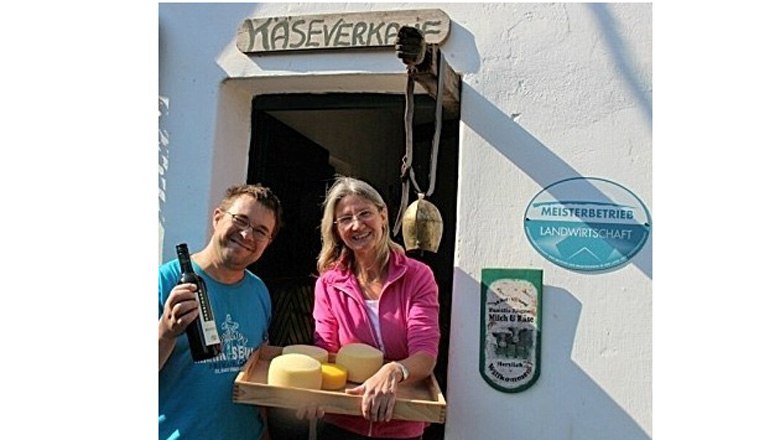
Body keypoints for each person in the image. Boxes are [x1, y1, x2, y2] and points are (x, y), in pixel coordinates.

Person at [305, 176, 441, 440]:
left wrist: (394, 370)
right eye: (345, 219)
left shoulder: (418, 276)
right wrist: (313, 389)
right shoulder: (328, 284)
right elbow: (326, 350)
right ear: (336, 229)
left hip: (401, 422)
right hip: (342, 421)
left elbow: (425, 356)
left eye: (365, 213)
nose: (357, 225)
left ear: (383, 215)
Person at [158, 184, 282, 440]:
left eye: (261, 231)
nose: (247, 235)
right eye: (240, 220)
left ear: (268, 243)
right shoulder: (166, 282)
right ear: (217, 217)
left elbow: (256, 373)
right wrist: (166, 332)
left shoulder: (259, 291)